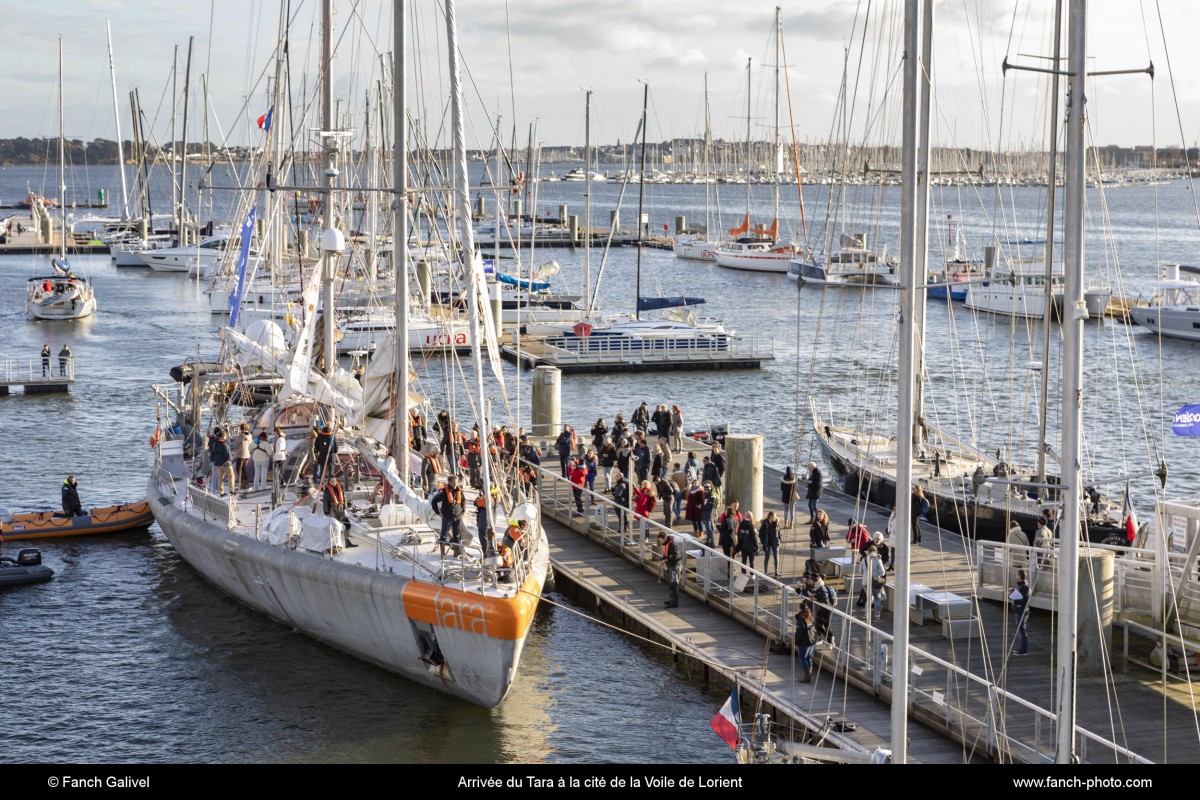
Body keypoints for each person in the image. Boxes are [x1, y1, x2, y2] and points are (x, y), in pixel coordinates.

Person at [430, 474, 467, 558]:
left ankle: (456, 552)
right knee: (443, 536)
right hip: (447, 517)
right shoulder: (443, 492)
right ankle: (442, 554)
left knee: (457, 536)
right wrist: (437, 512)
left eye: (456, 482)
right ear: (449, 482)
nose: (455, 484)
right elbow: (434, 501)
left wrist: (463, 511)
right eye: (454, 482)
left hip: (458, 517)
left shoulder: (459, 490)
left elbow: (463, 501)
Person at [859, 544, 886, 617]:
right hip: (875, 581)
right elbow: (882, 572)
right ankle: (877, 614)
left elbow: (860, 571)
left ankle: (866, 614)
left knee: (869, 598)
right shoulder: (878, 559)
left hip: (865, 582)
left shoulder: (863, 559)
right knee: (877, 597)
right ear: (875, 551)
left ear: (868, 551)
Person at [794, 603, 817, 683]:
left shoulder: (801, 618)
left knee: (803, 658)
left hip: (804, 642)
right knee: (809, 658)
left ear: (800, 609)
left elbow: (800, 632)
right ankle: (808, 674)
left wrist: (796, 642)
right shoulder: (810, 616)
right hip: (811, 641)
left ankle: (807, 677)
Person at [659, 531, 681, 608]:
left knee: (673, 584)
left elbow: (675, 557)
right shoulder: (666, 544)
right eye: (660, 541)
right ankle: (672, 599)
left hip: (674, 566)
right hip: (670, 566)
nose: (660, 542)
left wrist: (666, 560)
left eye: (661, 540)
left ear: (665, 538)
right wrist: (663, 559)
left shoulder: (672, 545)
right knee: (670, 584)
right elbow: (667, 554)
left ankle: (675, 602)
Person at [1011, 568, 1030, 655]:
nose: (1016, 576)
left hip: (1021, 612)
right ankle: (1022, 648)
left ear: (1020, 576)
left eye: (1017, 574)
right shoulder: (1021, 586)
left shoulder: (1024, 587)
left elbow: (1025, 600)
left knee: (1022, 630)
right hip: (1019, 611)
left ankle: (1023, 649)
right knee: (1021, 630)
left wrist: (1015, 601)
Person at [211, 428, 234, 495]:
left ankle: (221, 492)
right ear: (223, 436)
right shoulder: (225, 445)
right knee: (231, 476)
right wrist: (231, 457)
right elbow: (228, 456)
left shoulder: (214, 444)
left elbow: (213, 454)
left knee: (220, 478)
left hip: (218, 463)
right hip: (226, 464)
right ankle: (231, 491)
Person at [760, 510, 781, 577]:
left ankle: (776, 571)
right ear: (770, 516)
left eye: (775, 516)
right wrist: (763, 542)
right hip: (767, 543)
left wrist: (779, 540)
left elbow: (779, 532)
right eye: (773, 516)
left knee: (776, 557)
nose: (775, 517)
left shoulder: (776, 523)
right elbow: (761, 533)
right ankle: (765, 572)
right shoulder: (765, 524)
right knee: (767, 557)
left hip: (775, 542)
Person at [271, 426, 288, 501]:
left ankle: (282, 481)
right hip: (281, 455)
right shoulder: (281, 438)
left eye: (274, 432)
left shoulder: (279, 439)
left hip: (279, 456)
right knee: (279, 469)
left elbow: (278, 448)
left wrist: (274, 457)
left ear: (276, 432)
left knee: (279, 469)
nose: (273, 434)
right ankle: (281, 481)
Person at [611, 469, 630, 535]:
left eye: (616, 476)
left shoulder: (621, 484)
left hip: (620, 502)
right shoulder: (621, 483)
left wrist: (612, 492)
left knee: (621, 516)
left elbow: (617, 494)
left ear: (620, 477)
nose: (615, 477)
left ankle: (622, 528)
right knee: (622, 516)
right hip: (621, 502)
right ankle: (624, 527)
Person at [235, 423, 252, 491]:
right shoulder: (250, 436)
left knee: (238, 469)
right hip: (247, 454)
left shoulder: (241, 436)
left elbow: (236, 445)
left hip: (241, 454)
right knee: (243, 469)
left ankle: (244, 484)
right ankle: (245, 484)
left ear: (241, 428)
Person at [700, 482, 718, 547]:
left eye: (706, 489)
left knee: (709, 529)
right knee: (709, 529)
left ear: (710, 489)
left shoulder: (712, 495)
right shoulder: (706, 494)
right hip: (706, 515)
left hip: (709, 515)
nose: (705, 490)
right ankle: (709, 541)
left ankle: (711, 542)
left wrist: (702, 507)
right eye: (705, 489)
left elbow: (711, 506)